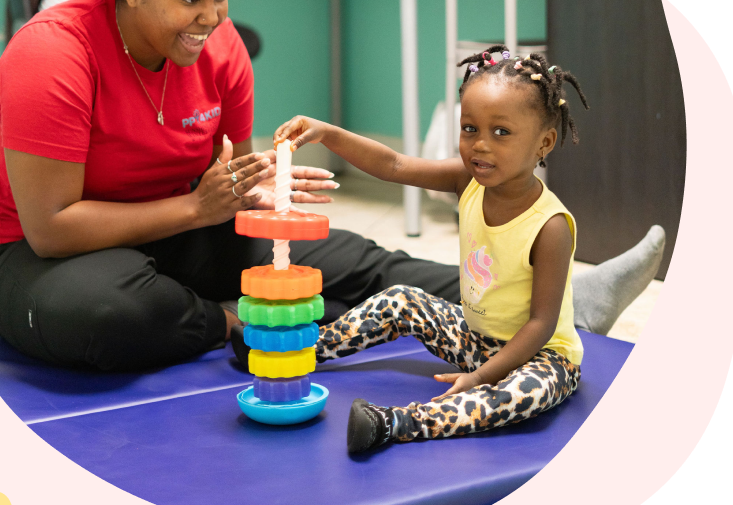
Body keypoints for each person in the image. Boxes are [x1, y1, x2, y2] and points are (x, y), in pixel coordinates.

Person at [0, 0, 663, 375]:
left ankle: (572, 292)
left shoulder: (220, 50)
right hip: (45, 257)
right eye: (191, 0)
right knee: (108, 313)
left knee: (352, 257)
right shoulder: (52, 54)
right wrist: (195, 206)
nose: (212, 21)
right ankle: (231, 321)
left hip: (179, 231)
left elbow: (229, 188)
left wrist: (255, 191)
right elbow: (51, 227)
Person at [269, 47, 666, 454]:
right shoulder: (467, 180)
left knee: (518, 395)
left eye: (501, 132)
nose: (480, 145)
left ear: (544, 142)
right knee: (400, 299)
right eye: (469, 129)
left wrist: (481, 377)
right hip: (475, 337)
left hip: (542, 357)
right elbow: (395, 165)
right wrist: (329, 134)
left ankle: (395, 423)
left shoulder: (550, 226)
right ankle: (295, 351)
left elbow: (541, 325)